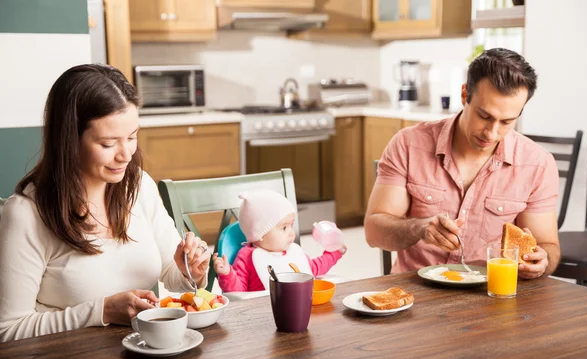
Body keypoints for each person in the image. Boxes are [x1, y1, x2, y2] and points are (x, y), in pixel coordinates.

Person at [0, 64, 210, 342]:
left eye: (132, 137)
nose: (126, 155)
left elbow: (170, 273)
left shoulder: (138, 185)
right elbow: (8, 329)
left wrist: (188, 270)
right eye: (109, 144)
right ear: (69, 140)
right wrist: (102, 311)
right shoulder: (26, 214)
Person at [364, 48, 560, 279]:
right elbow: (374, 232)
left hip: (490, 294)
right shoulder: (409, 144)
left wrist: (541, 262)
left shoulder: (537, 163)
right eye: (484, 116)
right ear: (465, 94)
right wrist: (419, 228)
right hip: (416, 292)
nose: (492, 133)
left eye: (507, 121)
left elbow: (548, 247)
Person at [213, 189, 346, 292]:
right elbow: (239, 290)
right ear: (261, 234)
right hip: (262, 314)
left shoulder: (292, 251)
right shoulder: (247, 256)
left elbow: (314, 269)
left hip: (298, 307)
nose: (291, 232)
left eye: (291, 225)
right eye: (283, 228)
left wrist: (334, 253)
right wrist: (227, 274)